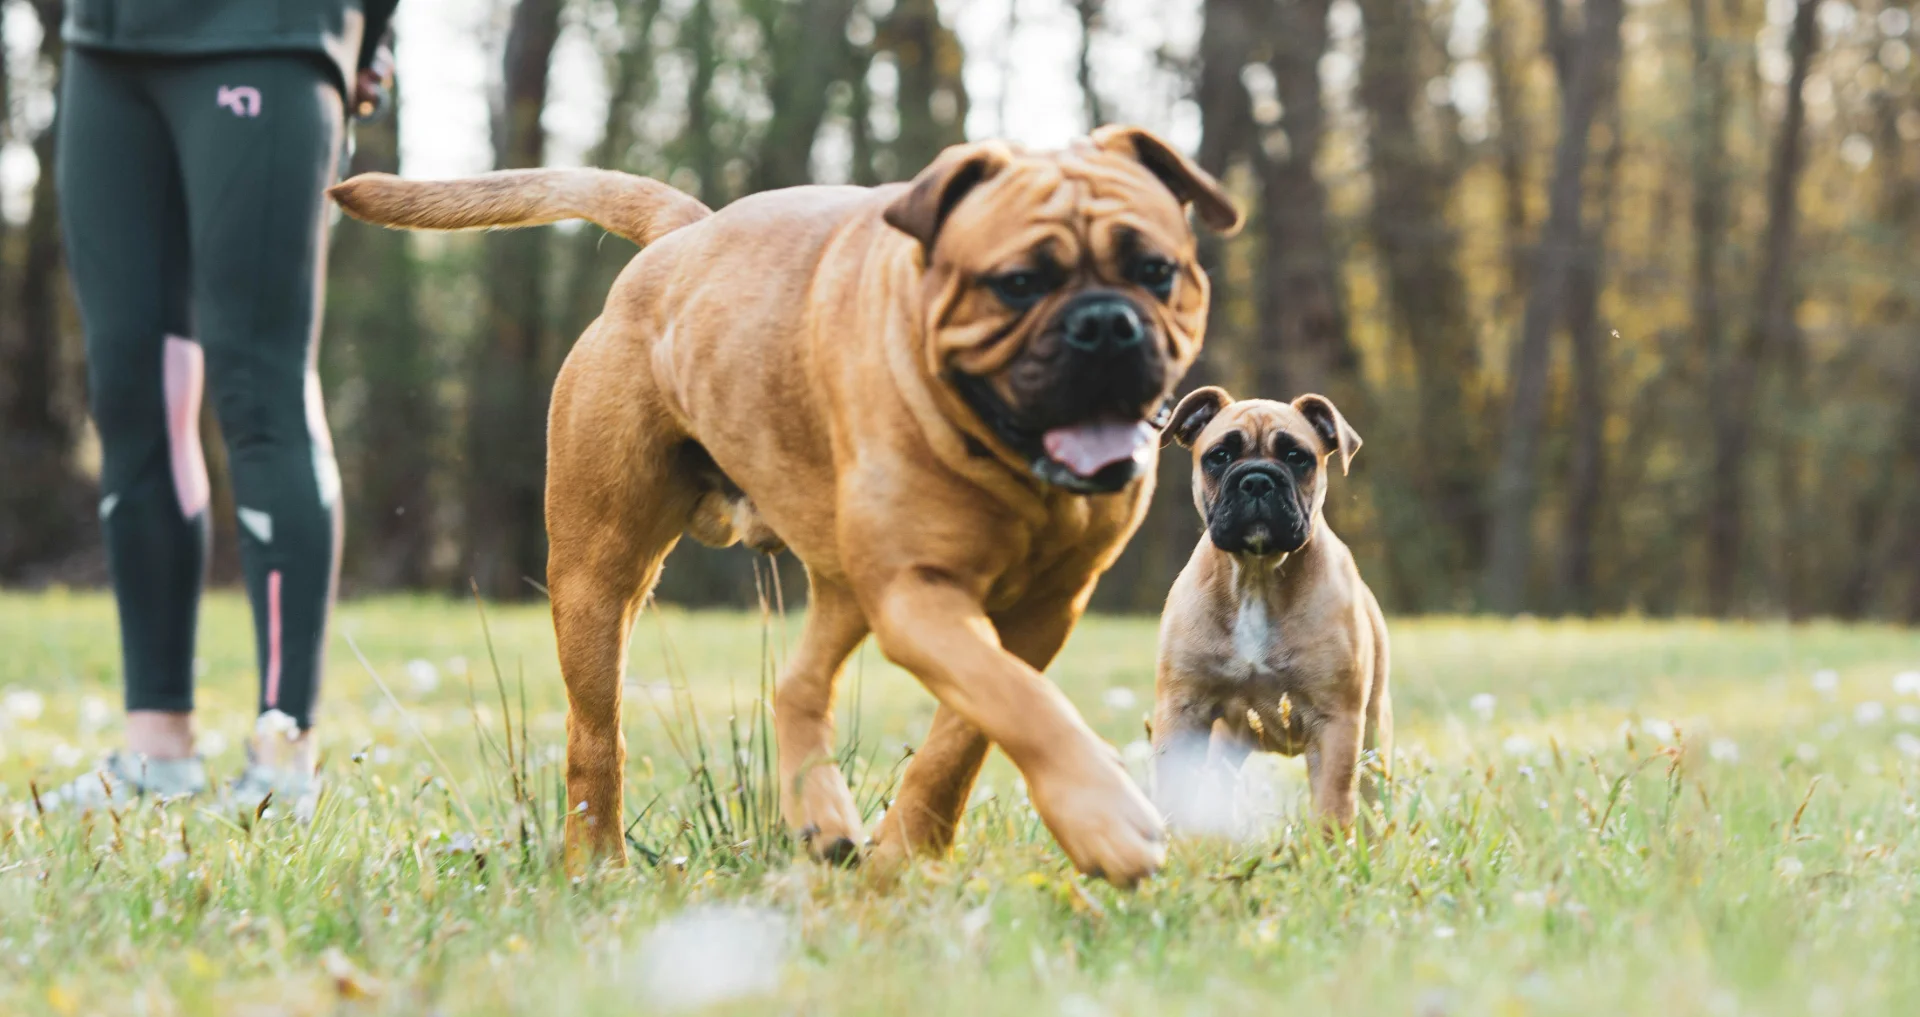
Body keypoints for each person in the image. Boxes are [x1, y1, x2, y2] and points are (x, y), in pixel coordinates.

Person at [47, 0, 398, 815]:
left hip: (270, 34)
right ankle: (156, 748)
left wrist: (368, 39)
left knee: (257, 384)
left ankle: (283, 755)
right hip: (105, 45)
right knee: (132, 386)